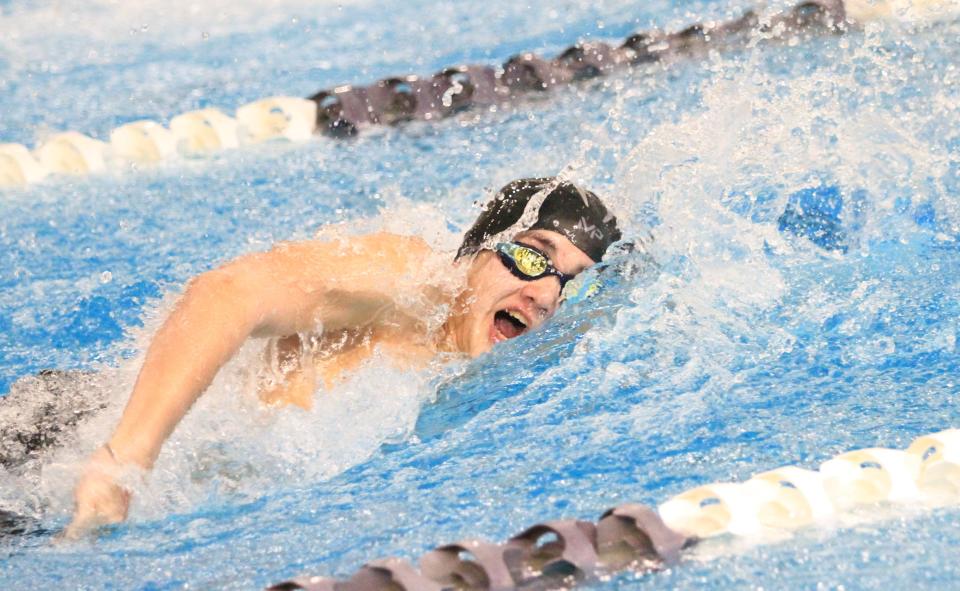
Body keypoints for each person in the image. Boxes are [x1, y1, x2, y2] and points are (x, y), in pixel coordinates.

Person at [63, 176, 622, 537]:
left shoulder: (498, 360)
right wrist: (123, 459)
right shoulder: (411, 284)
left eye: (569, 283)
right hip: (67, 436)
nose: (544, 293)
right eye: (530, 256)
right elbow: (227, 292)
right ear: (474, 253)